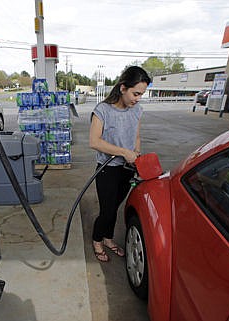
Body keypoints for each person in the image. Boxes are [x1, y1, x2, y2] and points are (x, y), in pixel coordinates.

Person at [89, 66, 151, 262]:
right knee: (106, 211)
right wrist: (124, 152)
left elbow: (137, 136)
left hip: (126, 170)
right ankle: (97, 240)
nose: (138, 98)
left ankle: (108, 238)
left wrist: (136, 153)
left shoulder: (137, 110)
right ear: (123, 88)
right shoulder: (102, 110)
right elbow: (94, 141)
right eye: (136, 93)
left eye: (141, 94)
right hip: (107, 169)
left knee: (115, 207)